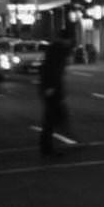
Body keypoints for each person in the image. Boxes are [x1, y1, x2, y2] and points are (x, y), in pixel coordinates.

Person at [39, 27, 74, 157]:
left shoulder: (55, 49)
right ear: (66, 39)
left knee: (58, 115)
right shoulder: (57, 50)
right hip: (51, 89)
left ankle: (58, 142)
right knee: (51, 118)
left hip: (52, 88)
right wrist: (51, 87)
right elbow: (52, 70)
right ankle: (47, 147)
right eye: (70, 40)